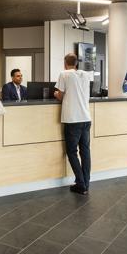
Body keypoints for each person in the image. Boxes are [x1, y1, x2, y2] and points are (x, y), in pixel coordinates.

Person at [54, 53, 94, 195]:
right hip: (86, 118)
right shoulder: (85, 75)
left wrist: (55, 94)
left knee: (71, 152)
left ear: (65, 63)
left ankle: (81, 183)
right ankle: (86, 183)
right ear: (76, 63)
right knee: (85, 151)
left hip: (72, 119)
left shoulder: (64, 74)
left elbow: (60, 95)